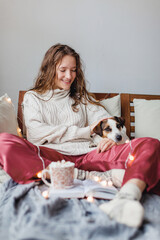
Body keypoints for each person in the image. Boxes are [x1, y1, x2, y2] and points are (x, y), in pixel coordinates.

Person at [0, 44, 160, 228]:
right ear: (50, 68)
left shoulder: (80, 98)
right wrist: (85, 131)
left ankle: (127, 197)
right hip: (52, 158)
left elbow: (104, 119)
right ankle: (88, 176)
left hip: (90, 155)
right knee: (3, 142)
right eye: (63, 70)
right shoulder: (33, 98)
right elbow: (36, 133)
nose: (69, 76)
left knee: (150, 144)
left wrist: (106, 137)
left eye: (73, 70)